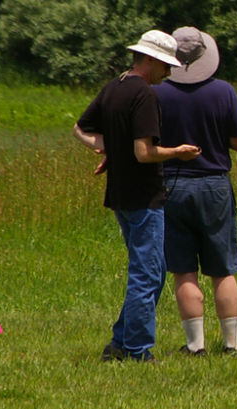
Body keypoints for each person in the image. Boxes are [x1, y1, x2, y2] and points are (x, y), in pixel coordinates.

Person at [73, 30, 201, 362]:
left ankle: (119, 341)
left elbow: (80, 128)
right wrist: (179, 152)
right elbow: (145, 153)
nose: (169, 73)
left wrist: (105, 148)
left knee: (153, 271)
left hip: (120, 196)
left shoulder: (114, 87)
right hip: (144, 197)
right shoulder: (144, 96)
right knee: (146, 274)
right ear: (150, 60)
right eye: (166, 66)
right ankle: (136, 349)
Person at [155, 27, 237, 356]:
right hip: (214, 185)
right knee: (223, 268)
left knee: (183, 269)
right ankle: (231, 344)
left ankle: (195, 345)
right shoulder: (223, 92)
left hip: (173, 185)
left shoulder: (159, 93)